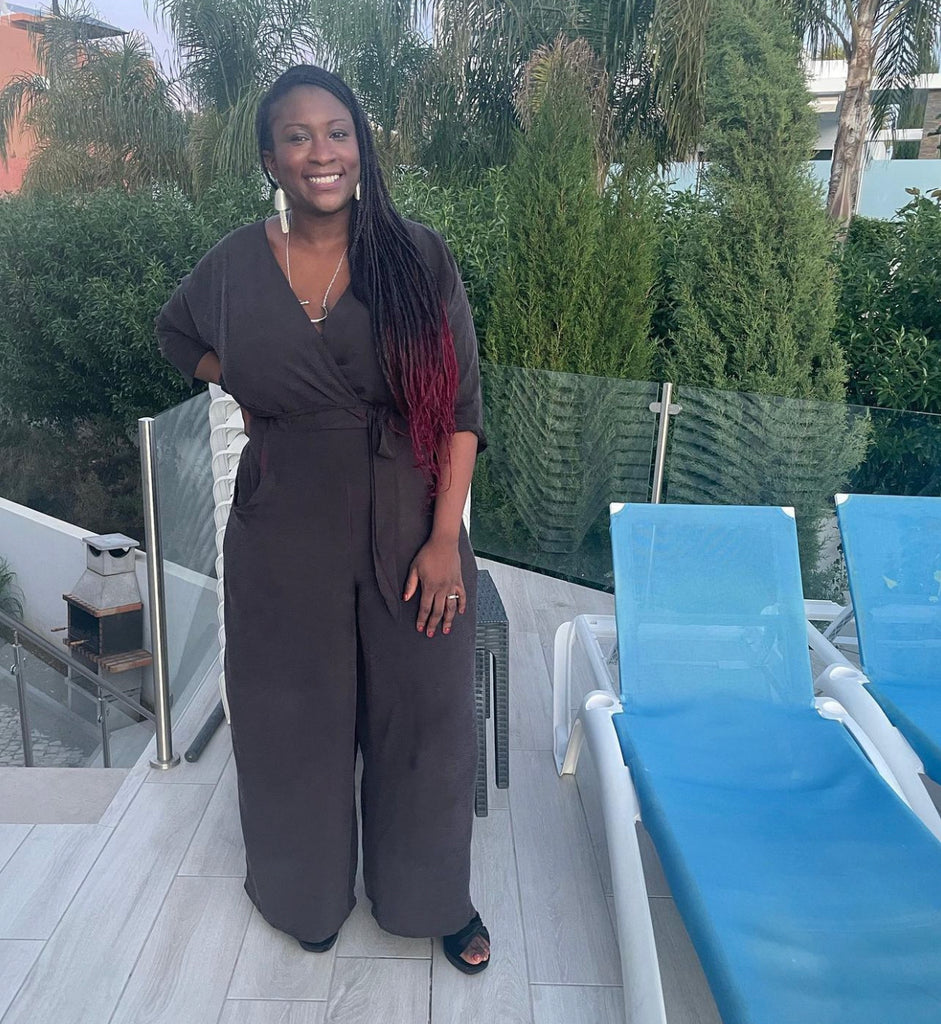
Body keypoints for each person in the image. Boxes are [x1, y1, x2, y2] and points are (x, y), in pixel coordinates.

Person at [155, 64, 490, 973]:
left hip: (410, 518)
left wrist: (444, 541)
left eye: (337, 132)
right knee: (290, 716)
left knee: (424, 719)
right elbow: (176, 334)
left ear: (361, 146)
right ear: (270, 158)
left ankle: (433, 898)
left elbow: (461, 410)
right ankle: (304, 892)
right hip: (284, 523)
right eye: (296, 136)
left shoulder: (418, 256)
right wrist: (241, 377)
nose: (320, 152)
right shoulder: (234, 262)